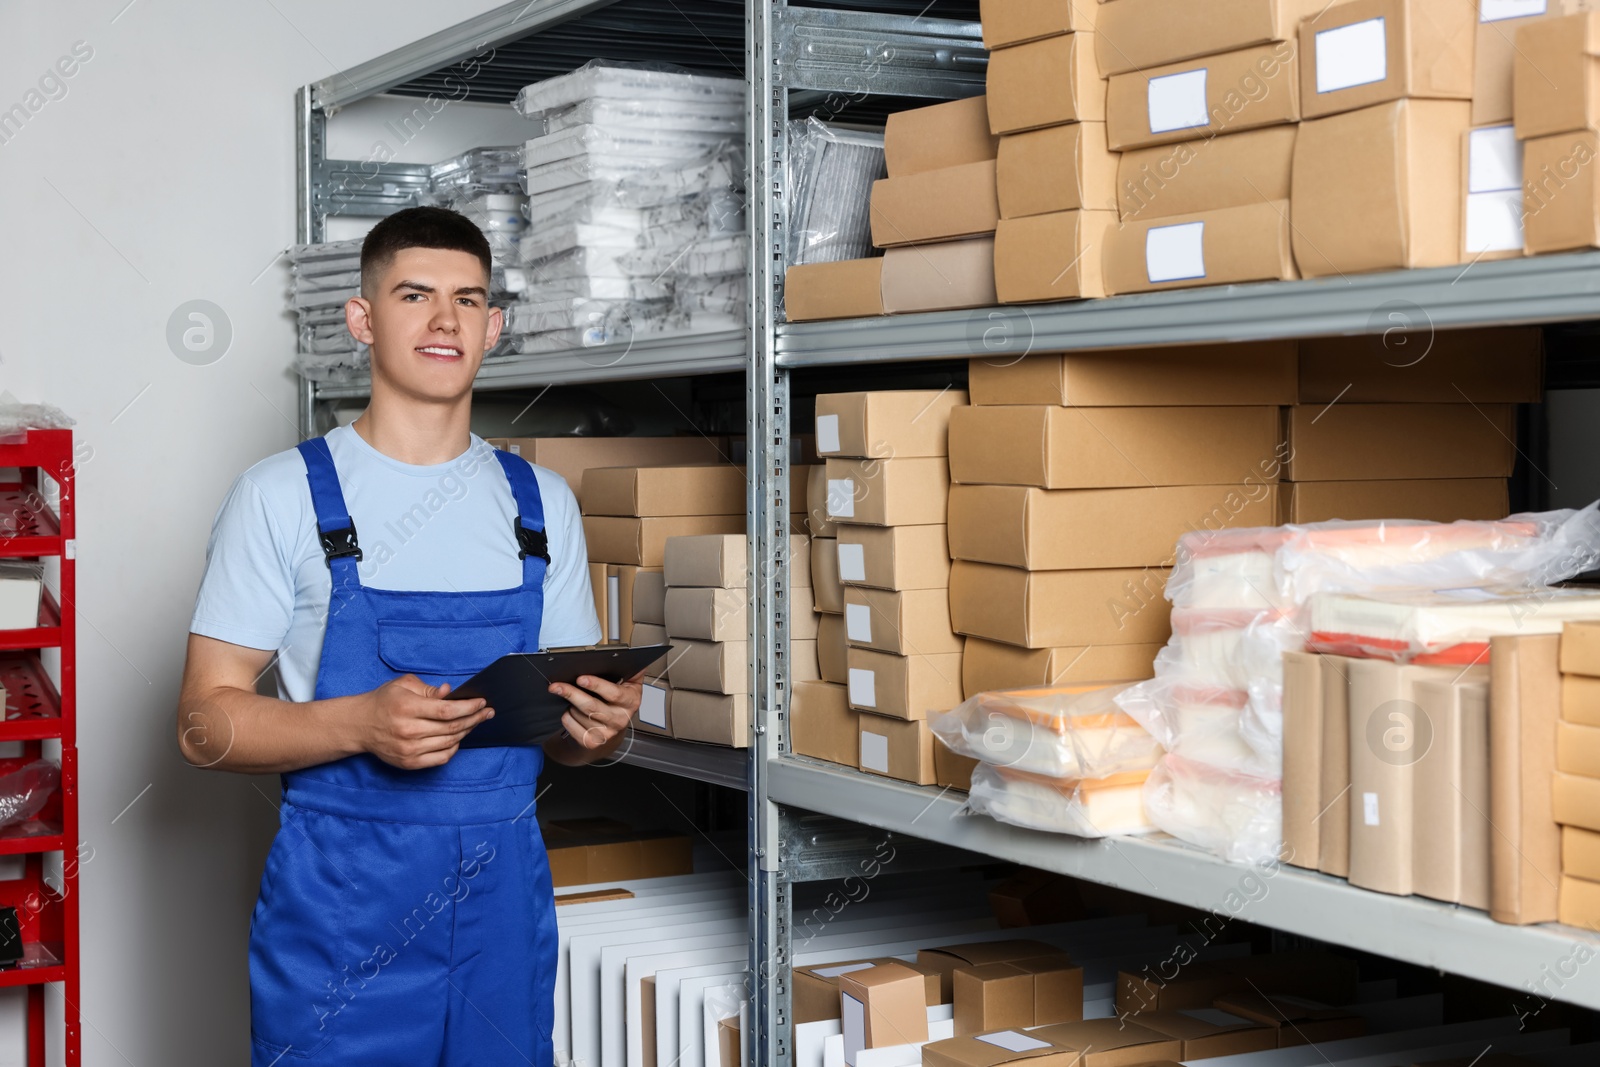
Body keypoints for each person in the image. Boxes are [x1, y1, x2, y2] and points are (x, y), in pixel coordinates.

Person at [177, 206, 640, 1065]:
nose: (443, 321)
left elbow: (568, 740)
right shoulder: (281, 496)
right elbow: (202, 723)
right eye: (415, 295)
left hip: (503, 909)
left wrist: (601, 732)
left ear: (493, 327)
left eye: (467, 300)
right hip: (342, 914)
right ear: (362, 318)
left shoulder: (541, 507)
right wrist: (357, 725)